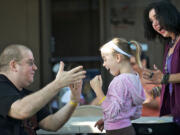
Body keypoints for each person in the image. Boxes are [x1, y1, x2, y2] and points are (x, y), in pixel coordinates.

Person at [0, 44, 86, 135]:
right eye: (30, 63)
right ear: (14, 65)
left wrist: (73, 101)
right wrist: (57, 84)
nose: (35, 67)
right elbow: (21, 111)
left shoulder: (25, 94)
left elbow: (52, 123)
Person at [90, 38, 145, 135]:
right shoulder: (135, 78)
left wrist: (98, 90)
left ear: (118, 58)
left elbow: (112, 112)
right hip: (128, 129)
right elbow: (136, 112)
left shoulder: (119, 81)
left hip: (116, 132)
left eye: (105, 59)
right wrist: (107, 120)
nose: (104, 64)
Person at [143, 0, 180, 132]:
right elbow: (171, 80)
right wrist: (157, 91)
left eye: (157, 18)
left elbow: (167, 78)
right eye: (151, 21)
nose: (155, 24)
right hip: (174, 114)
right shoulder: (170, 44)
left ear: (169, 15)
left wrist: (164, 78)